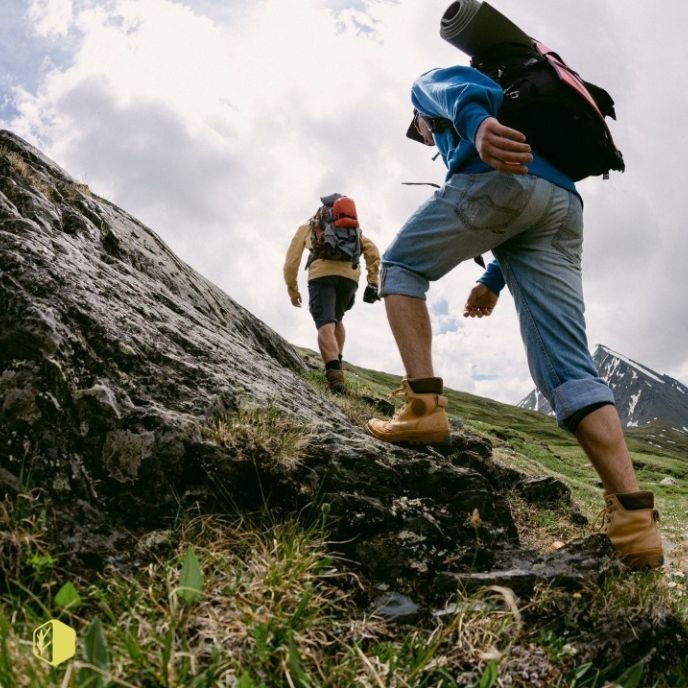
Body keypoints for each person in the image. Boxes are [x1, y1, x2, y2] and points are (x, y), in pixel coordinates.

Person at [365, 64, 663, 569]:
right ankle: (635, 526)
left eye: (418, 130)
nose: (421, 135)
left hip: (498, 178)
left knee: (399, 268)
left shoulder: (430, 90)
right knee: (569, 369)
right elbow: (525, 214)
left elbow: (458, 88)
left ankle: (421, 411)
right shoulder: (538, 129)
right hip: (563, 204)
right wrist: (492, 280)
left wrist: (478, 127)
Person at [284, 195, 381, 394]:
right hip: (349, 279)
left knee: (325, 325)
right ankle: (337, 361)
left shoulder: (309, 227)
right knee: (337, 319)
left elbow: (291, 261)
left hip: (321, 277)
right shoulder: (353, 230)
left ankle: (335, 379)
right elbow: (372, 251)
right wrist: (373, 281)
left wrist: (292, 288)